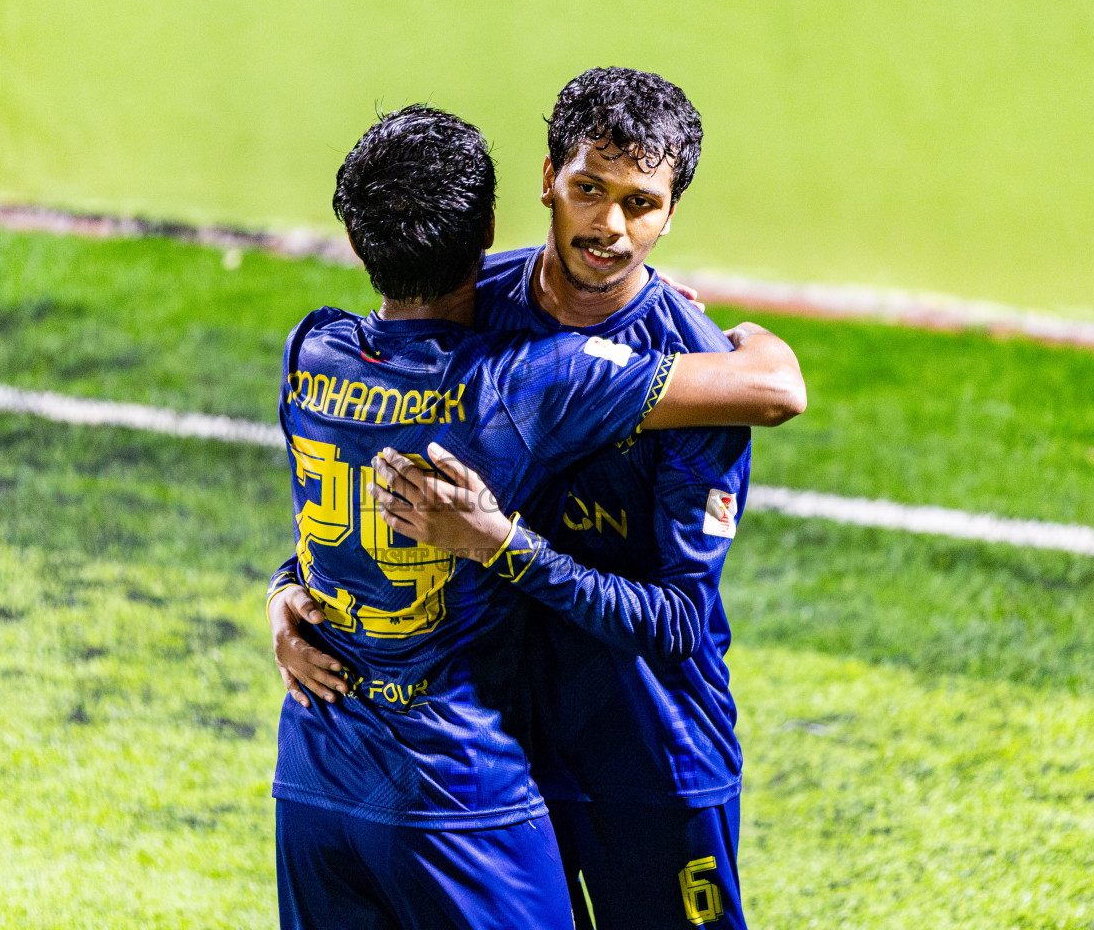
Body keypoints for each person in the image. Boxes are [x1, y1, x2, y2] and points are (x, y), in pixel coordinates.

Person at [274, 69, 791, 929]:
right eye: (590, 189)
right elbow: (368, 471)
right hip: (496, 746)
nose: (610, 226)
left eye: (642, 203)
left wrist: (505, 544)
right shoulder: (475, 300)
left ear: (671, 214)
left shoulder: (697, 363)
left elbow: (675, 624)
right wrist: (292, 586)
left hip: (648, 755)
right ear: (547, 176)